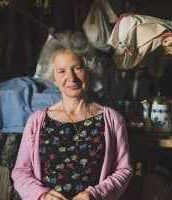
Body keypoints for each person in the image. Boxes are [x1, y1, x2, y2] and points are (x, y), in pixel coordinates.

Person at [11, 31, 133, 200]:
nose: (71, 77)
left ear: (88, 71)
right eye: (61, 71)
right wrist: (43, 196)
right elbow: (21, 172)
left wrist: (95, 194)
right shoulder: (37, 121)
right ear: (53, 79)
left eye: (77, 68)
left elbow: (123, 170)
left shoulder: (112, 119)